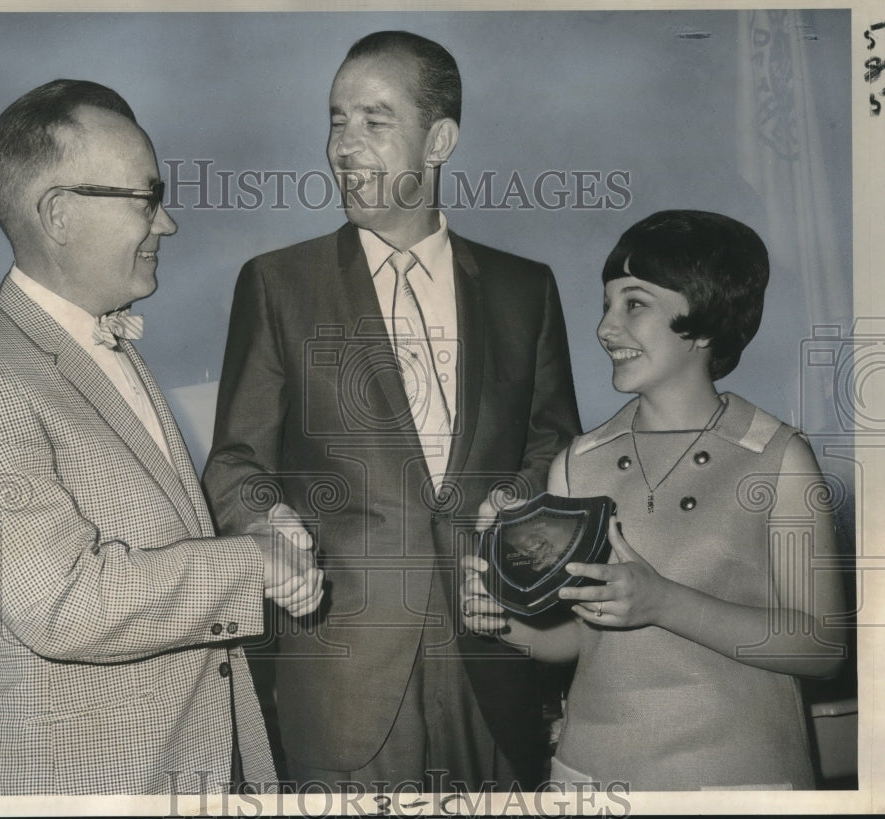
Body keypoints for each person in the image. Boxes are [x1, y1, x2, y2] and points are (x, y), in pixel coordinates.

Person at [0, 79, 322, 795]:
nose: (165, 223)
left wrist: (259, 534)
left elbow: (153, 539)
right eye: (146, 197)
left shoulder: (108, 350)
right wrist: (252, 561)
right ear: (59, 214)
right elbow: (63, 605)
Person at [203, 31, 581, 791]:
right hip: (341, 676)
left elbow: (556, 442)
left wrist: (518, 508)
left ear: (438, 140)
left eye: (375, 121)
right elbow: (234, 461)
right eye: (337, 120)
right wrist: (266, 523)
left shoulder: (525, 289)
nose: (344, 145)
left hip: (495, 660)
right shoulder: (278, 284)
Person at [462, 210, 846, 790]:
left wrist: (664, 602)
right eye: (606, 305)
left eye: (634, 304)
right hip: (589, 781)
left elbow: (822, 646)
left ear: (704, 318)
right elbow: (581, 639)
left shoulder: (779, 457)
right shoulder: (576, 462)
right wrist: (507, 624)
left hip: (736, 784)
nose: (605, 328)